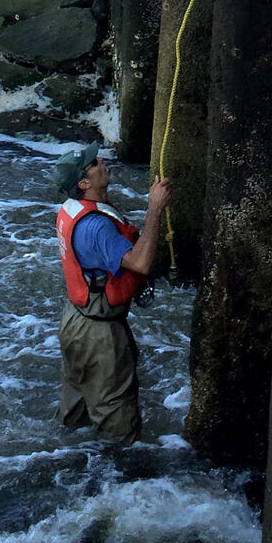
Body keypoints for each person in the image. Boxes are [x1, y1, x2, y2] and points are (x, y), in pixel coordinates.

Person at [50, 142, 171, 447]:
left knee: (75, 412)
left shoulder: (72, 210)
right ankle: (120, 480)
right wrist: (155, 209)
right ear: (84, 183)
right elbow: (140, 263)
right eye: (94, 163)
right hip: (99, 335)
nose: (102, 161)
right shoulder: (97, 227)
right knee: (120, 427)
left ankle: (66, 462)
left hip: (74, 320)